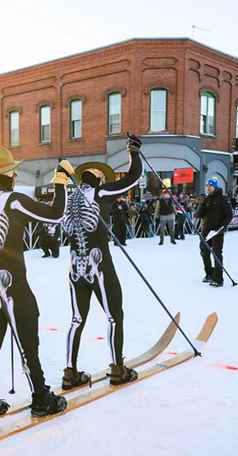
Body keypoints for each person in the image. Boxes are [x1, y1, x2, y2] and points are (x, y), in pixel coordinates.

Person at [0, 145, 68, 420]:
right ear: (10, 173)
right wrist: (60, 181)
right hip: (12, 285)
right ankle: (41, 396)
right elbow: (55, 214)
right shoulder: (14, 200)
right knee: (28, 343)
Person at [60, 135, 142, 389]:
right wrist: (134, 153)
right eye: (102, 174)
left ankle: (70, 372)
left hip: (76, 266)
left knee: (77, 319)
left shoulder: (69, 197)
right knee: (115, 316)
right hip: (98, 265)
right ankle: (118, 368)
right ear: (95, 176)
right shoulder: (100, 192)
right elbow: (132, 179)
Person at [196, 178, 233, 288]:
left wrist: (222, 227)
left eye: (210, 186)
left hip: (217, 231)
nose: (208, 188)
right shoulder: (207, 199)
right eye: (207, 186)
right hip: (206, 231)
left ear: (215, 187)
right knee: (204, 251)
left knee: (217, 254)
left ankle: (218, 278)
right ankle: (209, 274)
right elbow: (200, 214)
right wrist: (201, 206)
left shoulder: (222, 199)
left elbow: (229, 215)